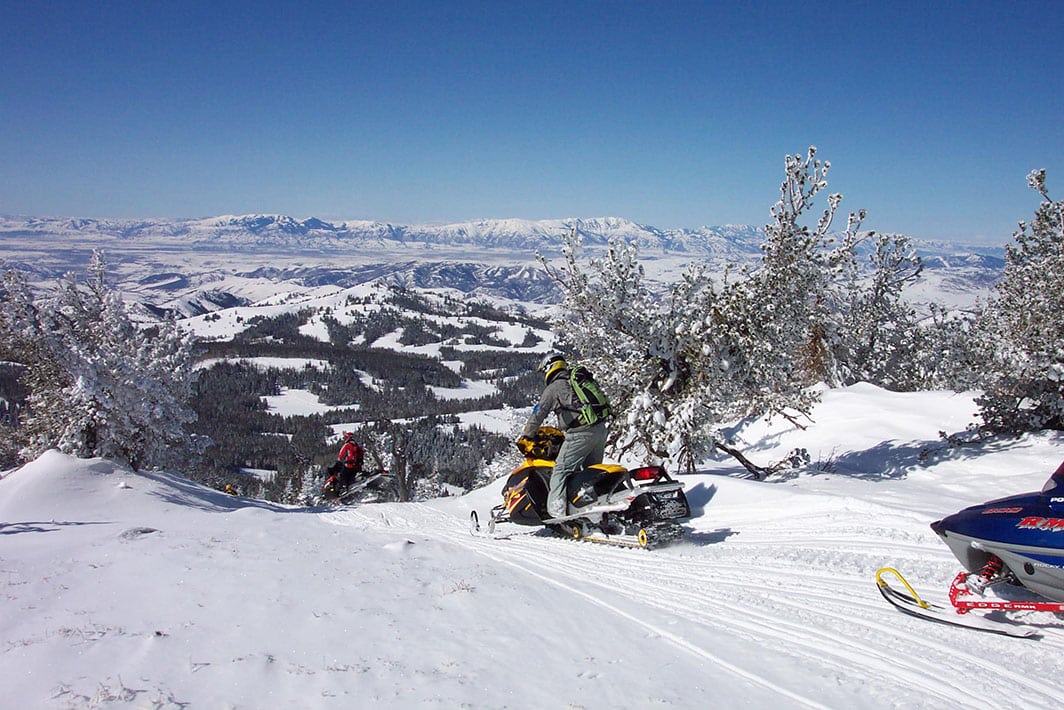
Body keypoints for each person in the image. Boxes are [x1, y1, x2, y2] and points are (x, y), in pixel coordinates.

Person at [518, 353, 608, 520]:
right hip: (600, 430)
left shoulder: (554, 387)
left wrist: (527, 435)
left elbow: (539, 413)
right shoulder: (577, 381)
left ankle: (556, 512)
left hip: (580, 434)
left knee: (560, 470)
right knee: (590, 473)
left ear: (548, 368)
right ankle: (594, 508)